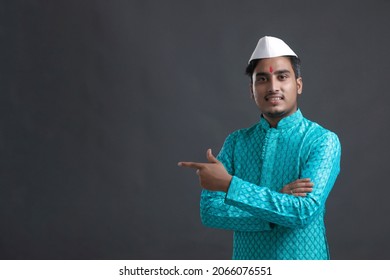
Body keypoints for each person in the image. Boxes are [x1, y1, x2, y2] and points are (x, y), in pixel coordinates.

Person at [178, 36, 341, 260]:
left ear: (298, 85)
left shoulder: (322, 141)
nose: (273, 87)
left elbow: (302, 212)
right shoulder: (236, 143)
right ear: (252, 89)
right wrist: (276, 206)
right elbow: (210, 212)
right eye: (262, 79)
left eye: (282, 76)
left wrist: (230, 185)